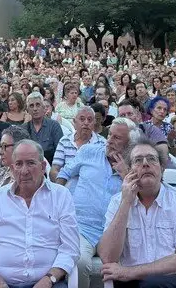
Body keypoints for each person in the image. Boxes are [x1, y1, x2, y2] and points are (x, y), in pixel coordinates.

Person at [0, 140, 80, 288]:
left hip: (48, 283)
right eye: (19, 164)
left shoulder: (61, 196)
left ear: (43, 167)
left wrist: (49, 279)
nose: (24, 171)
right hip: (2, 283)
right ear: (12, 168)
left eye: (30, 163)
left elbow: (70, 248)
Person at [97, 138, 176, 288]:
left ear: (162, 169)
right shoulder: (118, 202)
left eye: (152, 159)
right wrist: (126, 203)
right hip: (131, 283)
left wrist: (130, 272)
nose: (145, 164)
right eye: (138, 160)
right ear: (129, 171)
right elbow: (108, 257)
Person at [57, 117, 138, 288]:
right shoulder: (89, 151)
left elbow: (142, 200)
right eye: (109, 135)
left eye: (117, 138)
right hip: (83, 227)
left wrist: (125, 174)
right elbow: (64, 173)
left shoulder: (136, 165)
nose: (110, 141)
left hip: (117, 232)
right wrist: (56, 200)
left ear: (130, 145)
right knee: (79, 263)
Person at [51, 106, 106, 183]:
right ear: (74, 121)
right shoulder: (65, 141)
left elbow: (104, 172)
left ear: (94, 123)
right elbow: (54, 170)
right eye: (82, 119)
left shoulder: (102, 143)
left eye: (90, 120)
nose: (86, 123)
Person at [24, 91, 64, 164]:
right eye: (31, 106)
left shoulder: (54, 126)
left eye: (38, 105)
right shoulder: (24, 128)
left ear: (43, 107)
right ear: (28, 110)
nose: (35, 109)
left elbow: (61, 152)